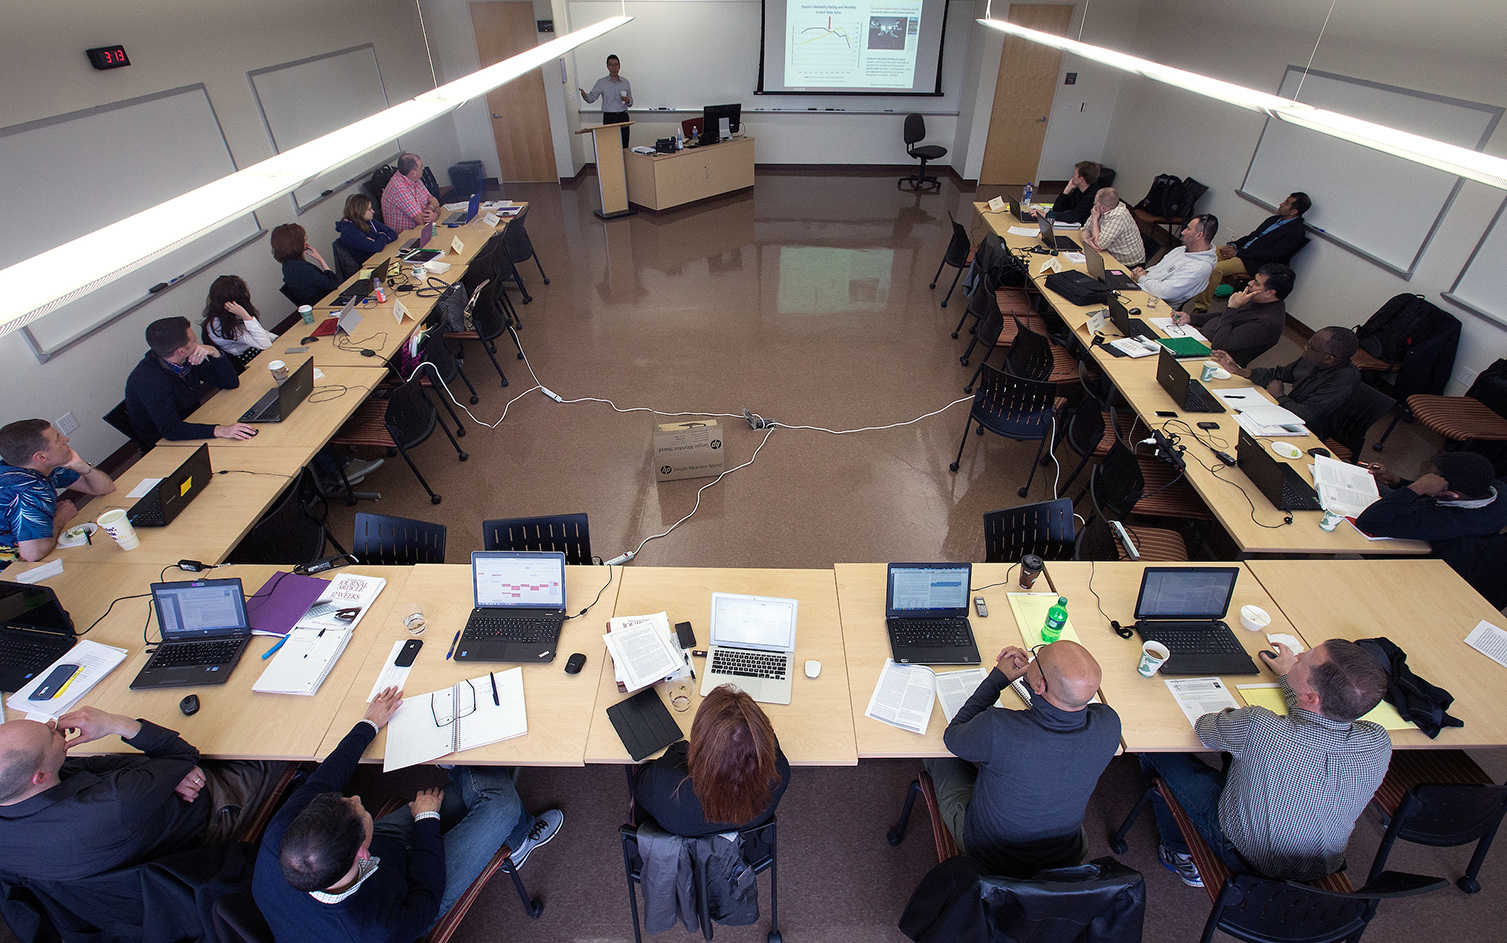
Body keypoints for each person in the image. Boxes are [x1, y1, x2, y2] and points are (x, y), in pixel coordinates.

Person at [254, 688, 564, 943]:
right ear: (362, 851)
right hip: (414, 898)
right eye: (359, 808)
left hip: (385, 855)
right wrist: (426, 823)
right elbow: (425, 893)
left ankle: (511, 829)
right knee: (501, 803)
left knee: (483, 798)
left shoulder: (287, 832)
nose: (357, 797)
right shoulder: (374, 929)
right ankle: (511, 827)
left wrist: (369, 724)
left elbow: (325, 776)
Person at [1141, 640, 1391, 886]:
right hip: (1323, 864)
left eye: (1305, 659)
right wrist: (1289, 675)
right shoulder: (1378, 741)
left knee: (1156, 749)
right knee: (1240, 756)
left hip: (1249, 858)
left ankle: (1178, 851)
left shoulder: (1258, 726)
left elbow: (1206, 728)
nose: (1299, 654)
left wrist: (1240, 717)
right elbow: (1317, 718)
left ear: (1311, 696)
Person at [0, 706, 279, 881]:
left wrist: (164, 775)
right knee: (275, 743)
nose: (54, 724)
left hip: (138, 836)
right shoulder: (114, 804)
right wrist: (117, 724)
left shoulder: (18, 793)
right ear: (39, 777)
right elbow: (183, 754)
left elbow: (99, 764)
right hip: (208, 813)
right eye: (51, 735)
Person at [924, 641, 1121, 878]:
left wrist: (998, 679)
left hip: (990, 852)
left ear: (1040, 685)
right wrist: (1038, 684)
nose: (1033, 658)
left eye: (1038, 657)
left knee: (937, 754)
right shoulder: (1110, 724)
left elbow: (953, 736)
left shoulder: (999, 728)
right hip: (1064, 855)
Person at [634, 684, 791, 836]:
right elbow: (770, 740)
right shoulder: (779, 774)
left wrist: (678, 751)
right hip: (746, 845)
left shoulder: (664, 783)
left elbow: (639, 781)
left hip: (682, 854)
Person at [1211, 326, 1360, 441]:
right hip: (1284, 411)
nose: (1305, 348)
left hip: (1307, 431)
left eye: (1311, 347)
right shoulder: (1312, 359)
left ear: (1329, 359)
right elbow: (1277, 373)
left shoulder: (1343, 381)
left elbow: (1304, 415)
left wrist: (1279, 395)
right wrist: (1240, 371)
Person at [0, 420, 114, 566]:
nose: (66, 439)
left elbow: (104, 488)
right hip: (8, 569)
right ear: (41, 457)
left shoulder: (27, 467)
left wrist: (80, 465)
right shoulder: (29, 488)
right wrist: (60, 519)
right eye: (58, 439)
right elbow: (33, 554)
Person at [125, 316, 254, 445]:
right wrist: (221, 430)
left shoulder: (187, 358)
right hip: (165, 443)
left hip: (196, 419)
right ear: (181, 351)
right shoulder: (148, 381)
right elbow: (171, 430)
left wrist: (214, 353)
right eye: (193, 340)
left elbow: (230, 383)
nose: (197, 341)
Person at [1193, 192, 1310, 311]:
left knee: (1215, 269)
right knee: (1204, 250)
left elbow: (1271, 255)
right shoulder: (1274, 220)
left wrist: (1238, 253)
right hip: (1242, 252)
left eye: (1287, 203)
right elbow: (1252, 237)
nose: (1281, 204)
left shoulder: (1296, 232)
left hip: (1253, 262)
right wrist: (1234, 245)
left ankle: (1201, 307)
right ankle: (1186, 287)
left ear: (1294, 211)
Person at [1356, 451, 1507, 543]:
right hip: (1423, 507)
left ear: (1453, 494)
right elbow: (1430, 493)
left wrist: (1417, 488)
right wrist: (1397, 481)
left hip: (1419, 541)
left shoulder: (1448, 522)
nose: (1427, 479)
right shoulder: (1494, 487)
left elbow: (1368, 522)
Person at [1171, 263, 1294, 367]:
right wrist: (1191, 318)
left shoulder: (1267, 322)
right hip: (1200, 341)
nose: (1250, 283)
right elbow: (1224, 317)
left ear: (1269, 293)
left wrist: (1232, 308)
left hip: (1212, 360)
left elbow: (1220, 345)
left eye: (1256, 283)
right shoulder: (1258, 300)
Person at [1132, 214, 1219, 308]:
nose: (1183, 232)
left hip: (1155, 305)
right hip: (1142, 287)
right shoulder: (1182, 249)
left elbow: (1165, 292)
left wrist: (1142, 278)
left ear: (1199, 235)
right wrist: (1143, 272)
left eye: (1188, 229)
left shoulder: (1199, 268)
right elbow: (1157, 269)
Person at [201, 274, 274, 360]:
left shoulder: (229, 313)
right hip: (245, 359)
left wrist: (275, 338)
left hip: (254, 346)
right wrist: (245, 316)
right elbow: (265, 344)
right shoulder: (219, 324)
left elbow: (258, 331)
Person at [272, 223, 341, 307]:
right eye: (304, 237)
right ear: (297, 243)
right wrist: (320, 259)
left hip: (317, 304)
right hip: (325, 304)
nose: (305, 240)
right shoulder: (301, 268)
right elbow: (332, 284)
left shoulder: (287, 266)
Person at [579, 54, 633, 149]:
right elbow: (591, 98)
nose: (614, 68)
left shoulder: (625, 82)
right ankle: (612, 164)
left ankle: (623, 164)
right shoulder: (601, 83)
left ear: (619, 66)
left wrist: (628, 100)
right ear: (607, 67)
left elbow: (631, 102)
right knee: (611, 146)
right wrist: (585, 96)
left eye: (616, 65)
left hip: (623, 116)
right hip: (609, 117)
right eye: (611, 65)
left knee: (624, 146)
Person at [381, 154, 441, 234]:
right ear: (413, 173)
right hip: (405, 237)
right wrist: (432, 206)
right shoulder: (398, 188)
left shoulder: (415, 179)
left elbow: (436, 203)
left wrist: (435, 214)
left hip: (421, 230)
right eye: (420, 167)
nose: (423, 168)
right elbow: (422, 220)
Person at [1083, 187, 1144, 266]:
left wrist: (1095, 219)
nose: (1094, 205)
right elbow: (1085, 229)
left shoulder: (1118, 216)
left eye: (1095, 203)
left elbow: (1099, 244)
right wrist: (1086, 241)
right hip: (1109, 254)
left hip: (1129, 266)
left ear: (1103, 207)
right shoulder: (1101, 209)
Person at [336, 193, 399, 266]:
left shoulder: (369, 221)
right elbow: (376, 247)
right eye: (369, 209)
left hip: (381, 256)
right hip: (369, 265)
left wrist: (378, 240)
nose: (373, 211)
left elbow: (392, 233)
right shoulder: (349, 231)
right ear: (360, 211)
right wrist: (382, 236)